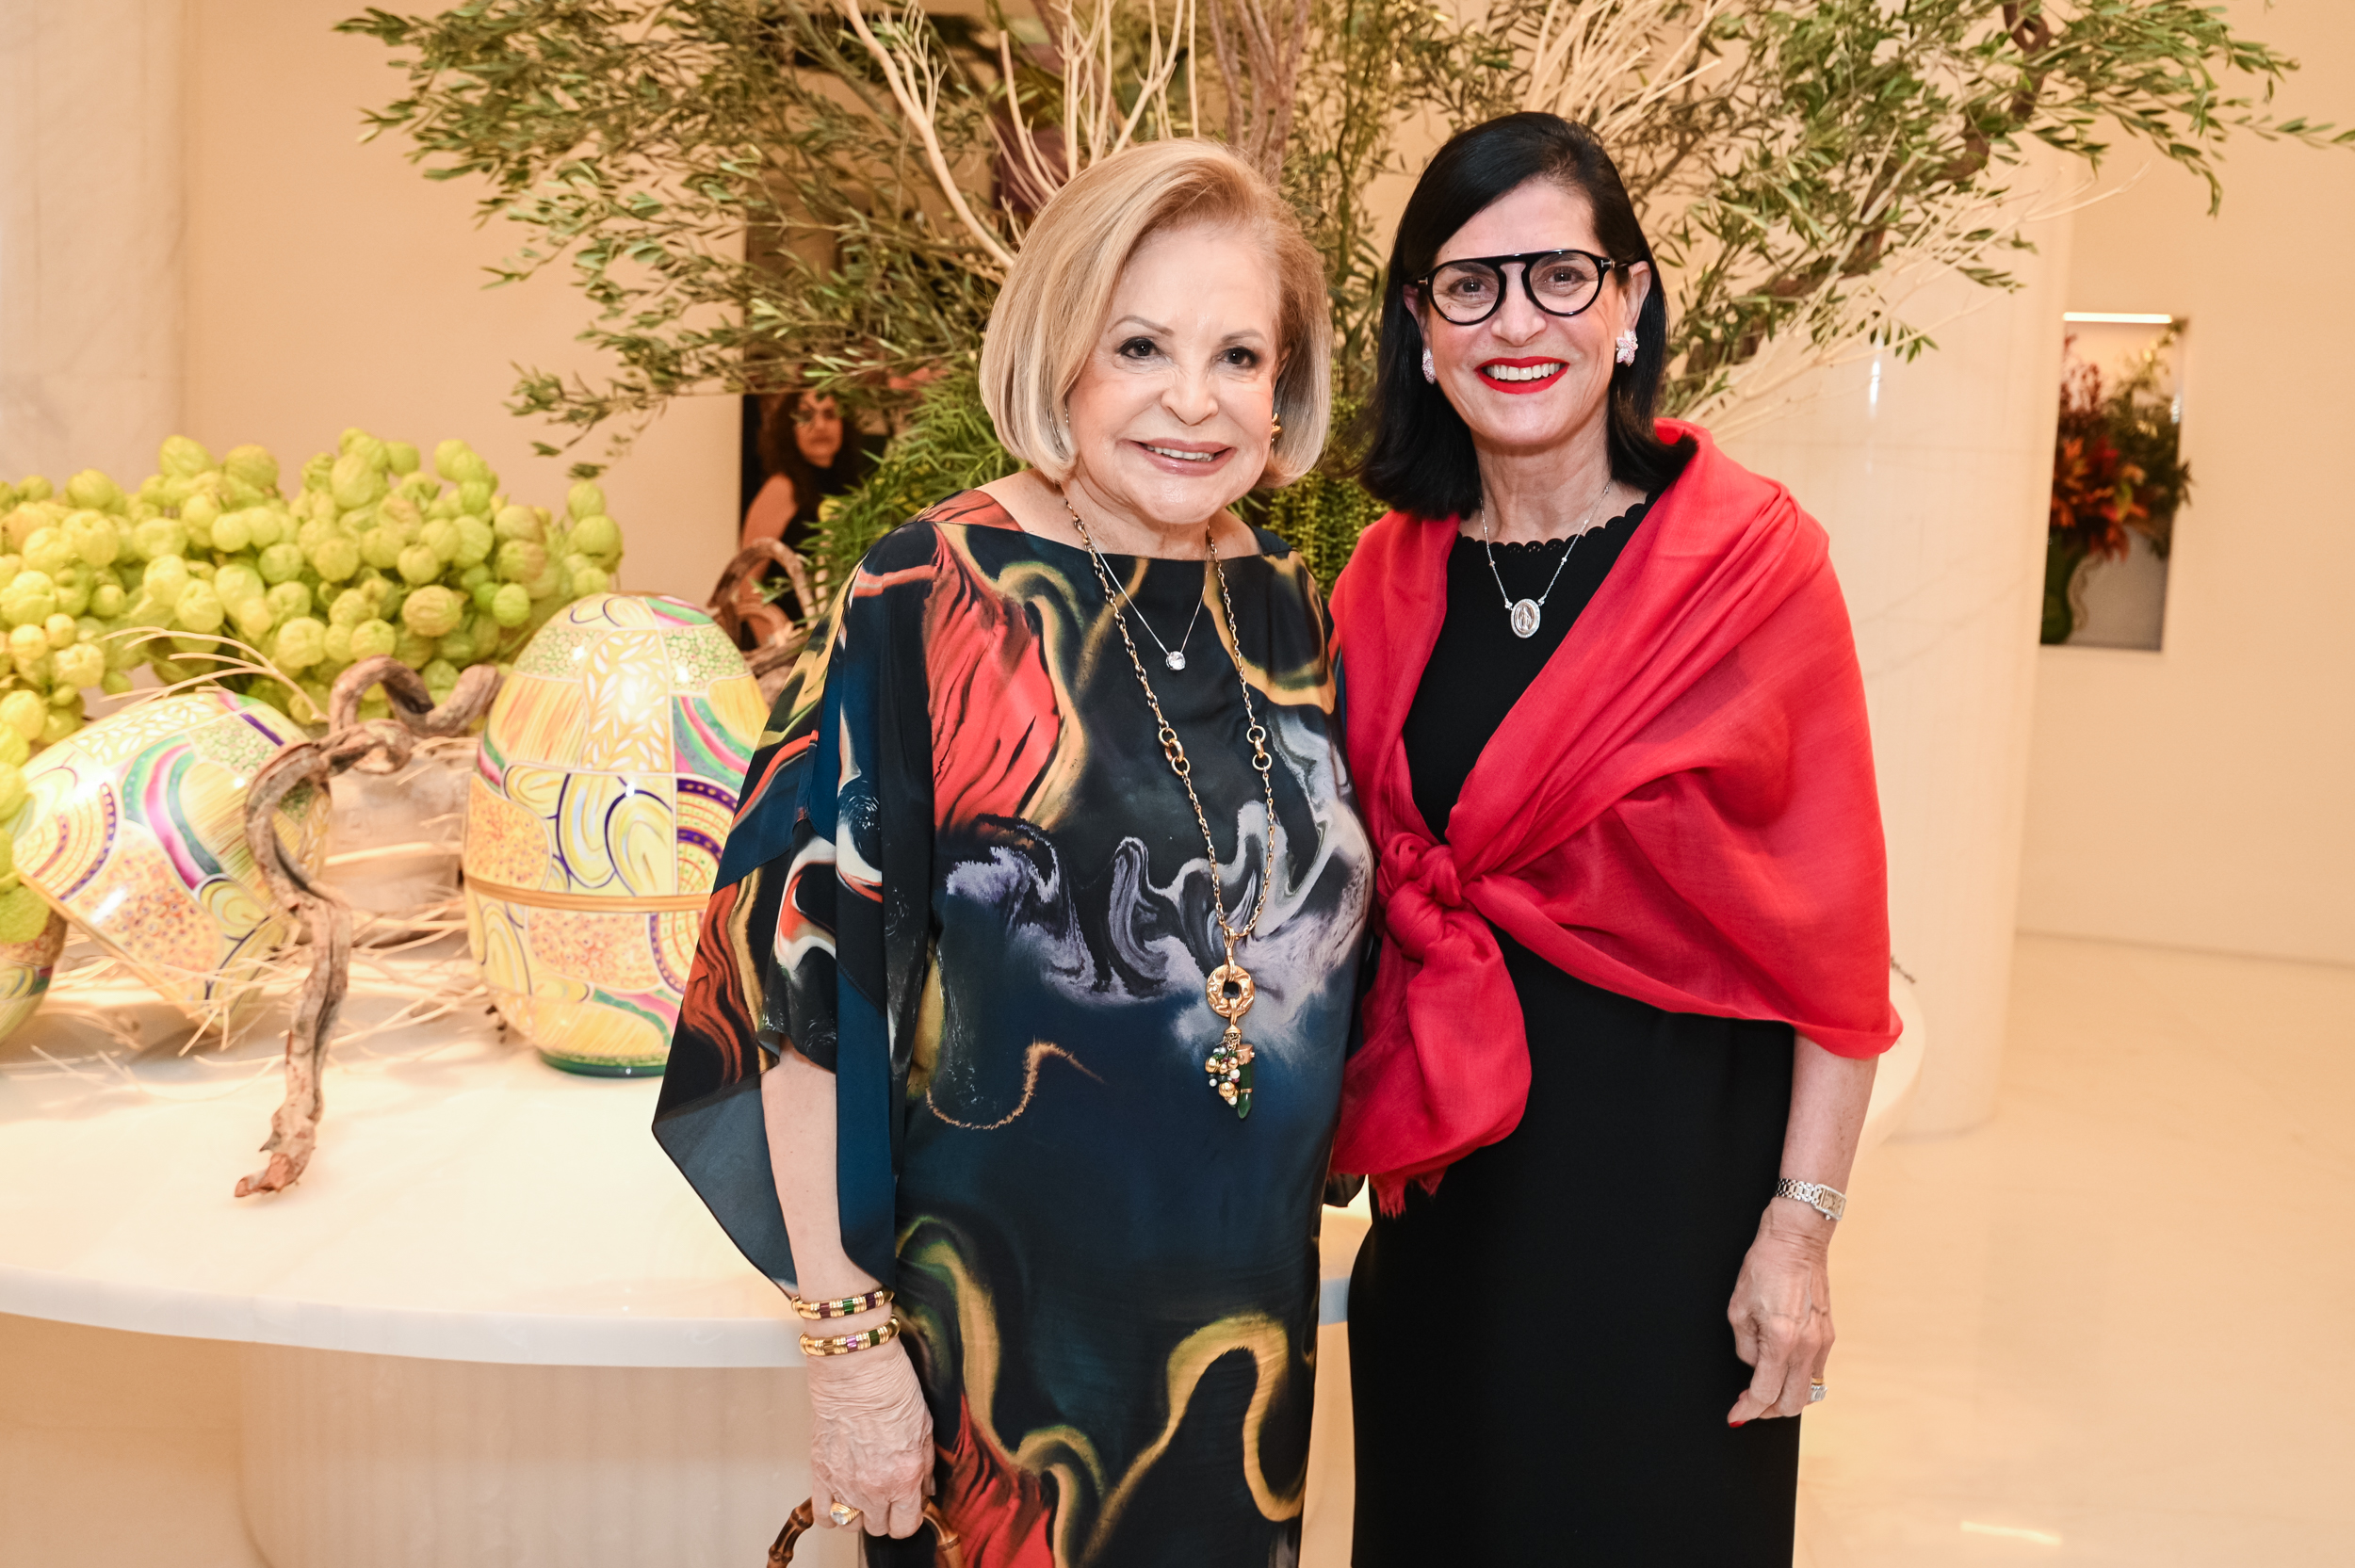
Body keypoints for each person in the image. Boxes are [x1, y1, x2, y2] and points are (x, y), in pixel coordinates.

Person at [654, 137, 1372, 1565]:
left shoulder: (1287, 601)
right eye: (1141, 345)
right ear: (1061, 352)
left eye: (1238, 356)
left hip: (1240, 1345)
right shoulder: (926, 593)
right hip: (996, 1357)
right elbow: (800, 996)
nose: (1192, 399)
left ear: (1282, 387)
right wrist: (848, 1348)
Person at [1328, 113, 1902, 1565]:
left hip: (1679, 1238)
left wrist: (1801, 1231)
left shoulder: (1751, 570)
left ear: (1631, 300)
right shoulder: (1382, 580)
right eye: (1471, 286)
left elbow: (1838, 949)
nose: (1517, 323)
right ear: (1420, 327)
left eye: (1561, 277)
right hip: (1449, 1227)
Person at [740, 389, 876, 560]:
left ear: (844, 424)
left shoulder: (853, 487)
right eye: (805, 416)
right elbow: (747, 574)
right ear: (789, 428)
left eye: (830, 414)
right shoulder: (782, 489)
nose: (820, 426)